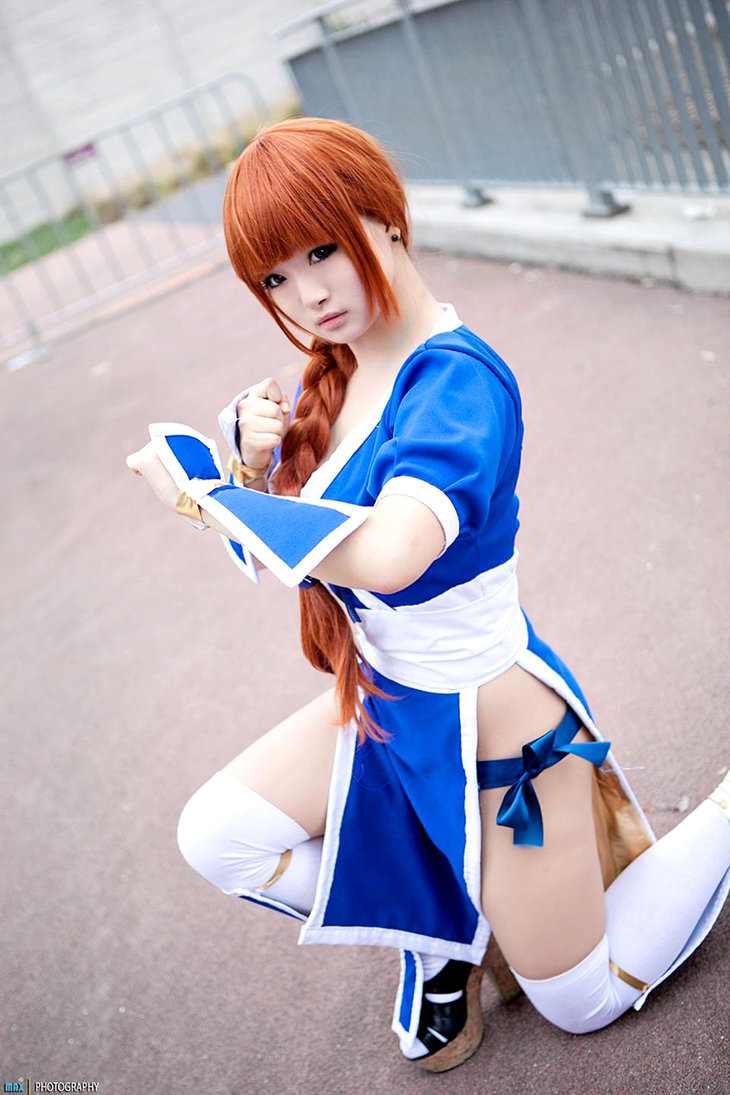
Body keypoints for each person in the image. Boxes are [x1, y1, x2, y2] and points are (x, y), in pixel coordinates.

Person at [127, 117, 730, 1072]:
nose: (309, 294)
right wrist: (248, 462)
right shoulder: (339, 371)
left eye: (322, 250)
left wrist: (213, 497)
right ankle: (443, 929)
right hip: (389, 700)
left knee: (578, 999)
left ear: (387, 217)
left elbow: (394, 553)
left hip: (494, 722)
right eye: (276, 278)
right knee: (219, 834)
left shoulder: (458, 383)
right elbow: (307, 546)